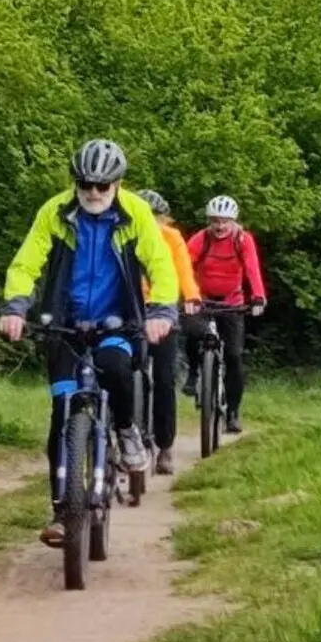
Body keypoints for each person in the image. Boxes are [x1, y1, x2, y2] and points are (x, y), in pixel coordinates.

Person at [0, 141, 178, 548]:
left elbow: (160, 266)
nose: (93, 192)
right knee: (61, 413)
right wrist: (15, 306)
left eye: (102, 185)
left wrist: (162, 312)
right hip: (64, 322)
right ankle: (63, 511)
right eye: (85, 183)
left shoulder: (136, 214)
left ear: (117, 183)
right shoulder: (55, 211)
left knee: (116, 368)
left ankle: (126, 428)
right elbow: (27, 261)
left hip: (117, 320)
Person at [184, 194, 267, 434]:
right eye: (215, 221)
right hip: (203, 298)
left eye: (225, 221)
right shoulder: (201, 239)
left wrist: (258, 297)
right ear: (209, 221)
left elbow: (252, 268)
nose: (220, 226)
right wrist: (186, 294)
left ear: (233, 221)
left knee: (233, 357)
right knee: (192, 330)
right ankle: (192, 372)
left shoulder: (242, 240)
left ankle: (232, 413)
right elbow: (184, 265)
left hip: (233, 302)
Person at [136, 190, 200, 475]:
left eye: (155, 217)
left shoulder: (172, 238)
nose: (150, 222)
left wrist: (191, 295)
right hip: (131, 311)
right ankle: (124, 436)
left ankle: (165, 447)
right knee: (122, 373)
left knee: (164, 379)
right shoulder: (125, 235)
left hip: (162, 311)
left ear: (163, 219)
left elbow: (183, 270)